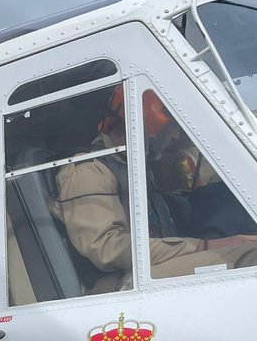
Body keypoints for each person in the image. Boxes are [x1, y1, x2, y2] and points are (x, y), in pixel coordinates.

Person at [56, 85, 257, 288]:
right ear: (151, 120)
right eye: (173, 128)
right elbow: (106, 249)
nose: (176, 138)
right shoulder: (88, 171)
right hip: (123, 283)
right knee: (250, 256)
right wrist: (203, 246)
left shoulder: (134, 166)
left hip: (152, 266)